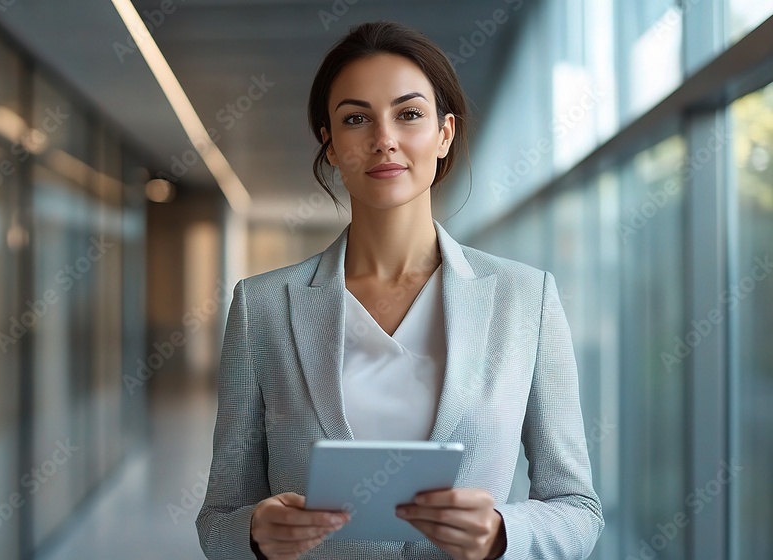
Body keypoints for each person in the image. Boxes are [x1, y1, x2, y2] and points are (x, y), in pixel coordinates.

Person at [195, 20, 603, 560]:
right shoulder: (263, 307)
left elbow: (578, 508)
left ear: (444, 132)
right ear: (332, 145)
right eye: (356, 119)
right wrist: (254, 533)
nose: (383, 138)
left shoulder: (525, 299)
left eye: (408, 114)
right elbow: (217, 520)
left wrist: (503, 532)